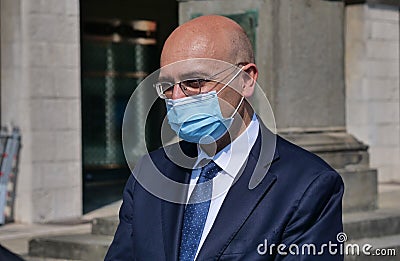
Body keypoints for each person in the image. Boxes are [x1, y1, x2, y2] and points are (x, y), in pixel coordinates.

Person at [105, 15, 344, 260]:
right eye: (167, 85)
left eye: (195, 82)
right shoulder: (150, 173)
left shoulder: (308, 184)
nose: (176, 98)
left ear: (246, 80)